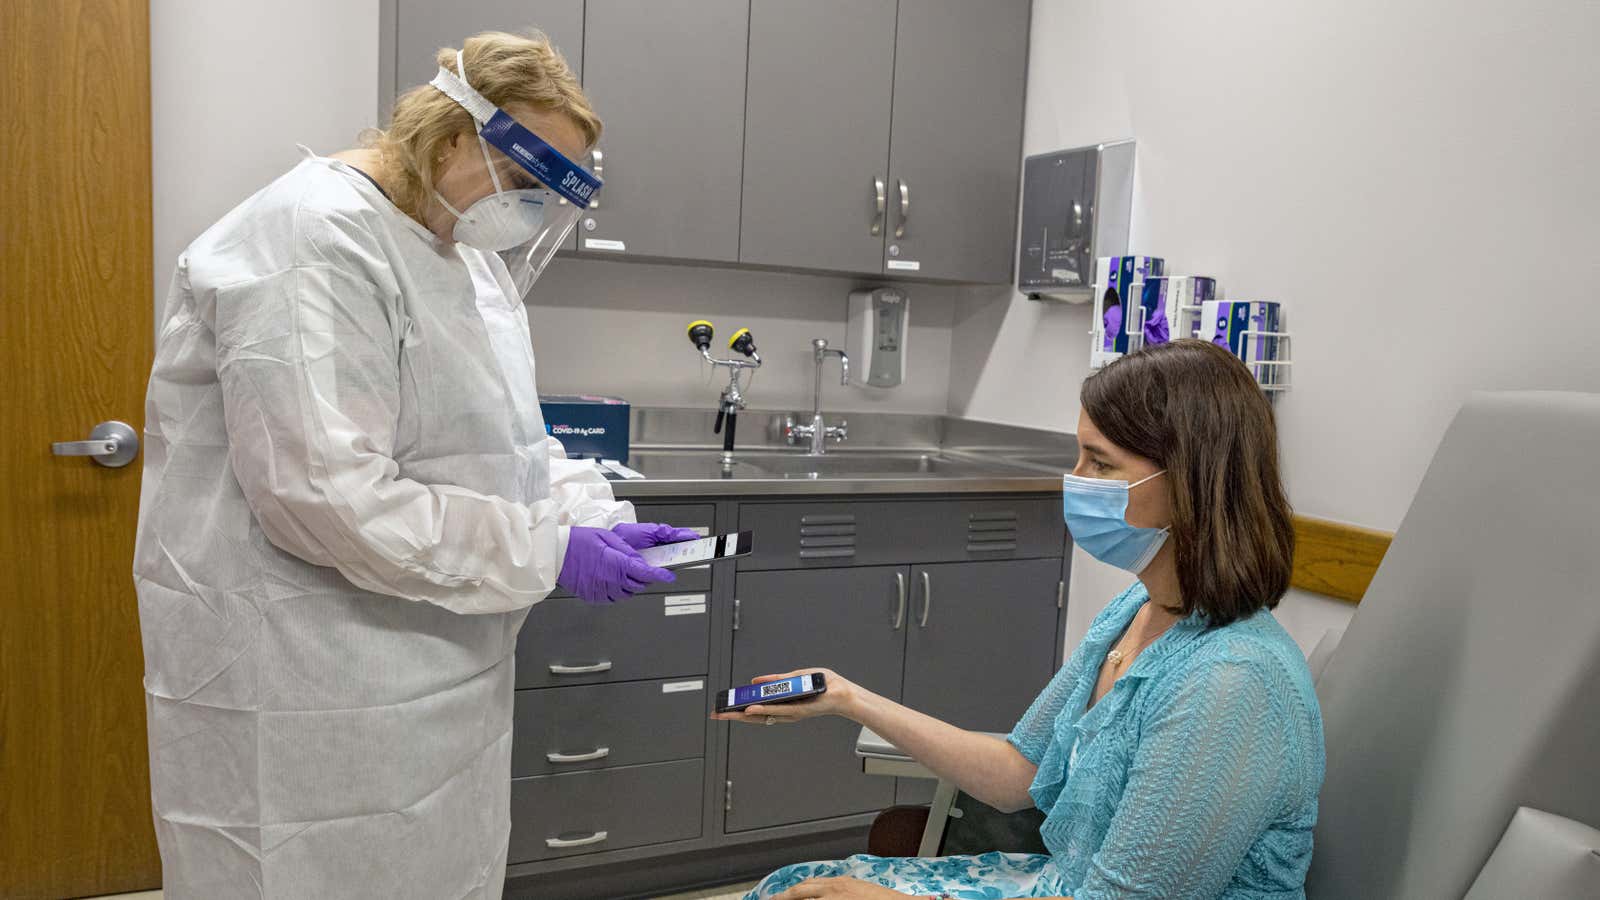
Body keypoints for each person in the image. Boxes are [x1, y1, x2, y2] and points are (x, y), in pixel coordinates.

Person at [134, 31, 697, 899]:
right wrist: (545, 552)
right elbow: (327, 495)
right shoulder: (313, 238)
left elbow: (506, 438)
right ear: (451, 137)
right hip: (311, 683)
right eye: (524, 182)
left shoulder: (461, 256)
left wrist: (589, 515)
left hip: (443, 681)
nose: (529, 210)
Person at [718, 340, 1324, 900]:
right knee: (795, 886)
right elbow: (1018, 773)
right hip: (1052, 885)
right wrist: (847, 697)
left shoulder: (1231, 684)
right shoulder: (1135, 613)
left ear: (1191, 482)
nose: (1074, 481)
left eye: (1100, 463)